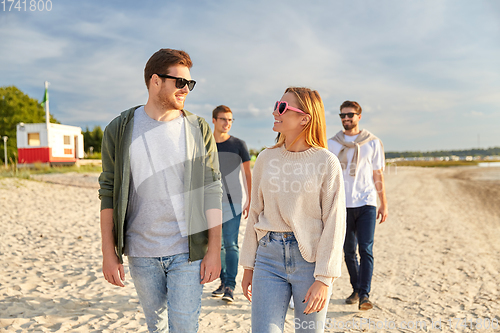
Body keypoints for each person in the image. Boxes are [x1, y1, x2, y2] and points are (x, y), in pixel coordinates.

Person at [98, 48, 223, 332]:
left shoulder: (198, 128)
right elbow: (107, 191)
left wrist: (214, 249)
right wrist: (109, 252)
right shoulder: (119, 129)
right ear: (155, 81)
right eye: (180, 82)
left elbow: (212, 189)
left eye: (190, 84)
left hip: (187, 252)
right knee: (157, 327)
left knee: (183, 327)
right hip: (141, 252)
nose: (186, 89)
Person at [240, 87, 346, 333]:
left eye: (282, 108)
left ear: (304, 118)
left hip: (310, 262)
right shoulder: (266, 158)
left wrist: (324, 279)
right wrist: (248, 266)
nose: (275, 111)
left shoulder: (326, 162)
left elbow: (335, 221)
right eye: (277, 105)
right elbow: (255, 212)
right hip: (267, 259)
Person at [327, 100, 388, 311]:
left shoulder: (372, 142)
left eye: (350, 115)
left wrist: (384, 204)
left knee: (366, 249)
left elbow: (377, 174)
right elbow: (327, 176)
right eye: (342, 115)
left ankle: (364, 295)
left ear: (359, 116)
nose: (346, 118)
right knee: (348, 251)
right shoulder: (332, 144)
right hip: (342, 205)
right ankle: (356, 288)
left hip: (367, 202)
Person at [210, 105, 252, 303]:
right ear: (214, 120)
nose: (227, 123)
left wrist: (250, 200)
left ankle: (230, 286)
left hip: (233, 201)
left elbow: (247, 174)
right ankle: (222, 281)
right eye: (223, 119)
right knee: (217, 246)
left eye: (230, 120)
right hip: (210, 202)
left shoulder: (238, 144)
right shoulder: (205, 144)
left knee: (231, 244)